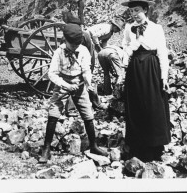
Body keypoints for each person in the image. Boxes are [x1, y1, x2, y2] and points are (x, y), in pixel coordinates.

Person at [38, 23, 108, 163]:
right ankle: (46, 149)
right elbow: (52, 74)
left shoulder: (83, 51)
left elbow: (86, 70)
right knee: (53, 114)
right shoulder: (59, 52)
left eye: (77, 44)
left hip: (79, 84)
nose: (75, 47)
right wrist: (65, 85)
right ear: (65, 40)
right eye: (72, 45)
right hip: (62, 83)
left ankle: (93, 145)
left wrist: (88, 83)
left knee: (88, 114)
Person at [121, 0, 171, 162]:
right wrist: (134, 43)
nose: (134, 14)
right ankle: (137, 147)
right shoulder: (128, 28)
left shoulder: (156, 28)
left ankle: (155, 146)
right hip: (135, 68)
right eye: (131, 11)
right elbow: (125, 51)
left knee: (153, 104)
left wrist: (164, 77)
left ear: (145, 9)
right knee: (136, 105)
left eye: (137, 10)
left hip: (151, 67)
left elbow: (162, 53)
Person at [61, 11, 106, 111]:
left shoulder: (67, 35)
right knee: (87, 82)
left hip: (73, 63)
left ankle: (72, 108)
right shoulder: (84, 35)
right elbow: (90, 53)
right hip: (77, 62)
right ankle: (95, 103)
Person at [94, 18, 128, 95]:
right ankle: (117, 93)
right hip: (110, 53)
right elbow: (124, 65)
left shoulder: (110, 35)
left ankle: (107, 92)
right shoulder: (125, 53)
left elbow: (104, 44)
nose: (117, 31)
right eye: (117, 29)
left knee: (106, 73)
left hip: (101, 53)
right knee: (121, 74)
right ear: (114, 26)